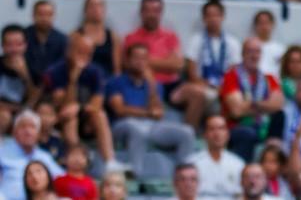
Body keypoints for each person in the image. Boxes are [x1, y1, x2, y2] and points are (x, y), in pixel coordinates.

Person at [106, 43, 195, 178]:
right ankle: (135, 174)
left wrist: (152, 86)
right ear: (127, 60)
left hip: (151, 125)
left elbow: (158, 113)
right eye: (136, 58)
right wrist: (147, 113)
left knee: (187, 132)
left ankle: (183, 176)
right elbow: (120, 109)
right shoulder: (116, 82)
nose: (140, 62)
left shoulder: (154, 84)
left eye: (144, 58)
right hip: (123, 125)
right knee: (137, 129)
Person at [44, 33, 124, 173]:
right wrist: (73, 79)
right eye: (80, 51)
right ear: (69, 50)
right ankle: (76, 159)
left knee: (99, 114)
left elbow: (96, 105)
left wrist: (79, 107)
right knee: (70, 118)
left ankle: (110, 162)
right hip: (60, 121)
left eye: (88, 53)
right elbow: (62, 107)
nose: (84, 57)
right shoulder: (55, 71)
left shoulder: (96, 71)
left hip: (87, 120)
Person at [220, 37, 284, 163]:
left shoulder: (269, 78)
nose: (254, 56)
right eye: (250, 51)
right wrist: (266, 106)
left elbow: (277, 105)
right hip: (237, 127)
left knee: (280, 116)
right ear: (243, 53)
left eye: (257, 52)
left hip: (263, 127)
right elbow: (236, 111)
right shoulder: (231, 76)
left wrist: (253, 103)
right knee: (247, 133)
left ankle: (271, 169)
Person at [0, 110, 64, 200]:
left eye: (32, 127)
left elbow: (63, 179)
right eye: (23, 127)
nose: (28, 131)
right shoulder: (2, 152)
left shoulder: (44, 157)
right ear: (14, 132)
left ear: (38, 134)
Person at [190, 113, 246, 197]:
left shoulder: (239, 164)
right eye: (212, 129)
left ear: (227, 134)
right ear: (204, 135)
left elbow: (241, 195)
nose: (217, 133)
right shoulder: (191, 163)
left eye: (221, 128)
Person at [24, 0, 67, 80]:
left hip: (53, 83)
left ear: (54, 16)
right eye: (40, 14)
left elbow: (62, 65)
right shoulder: (23, 36)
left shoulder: (62, 39)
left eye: (48, 15)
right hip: (26, 81)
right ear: (33, 15)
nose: (44, 18)